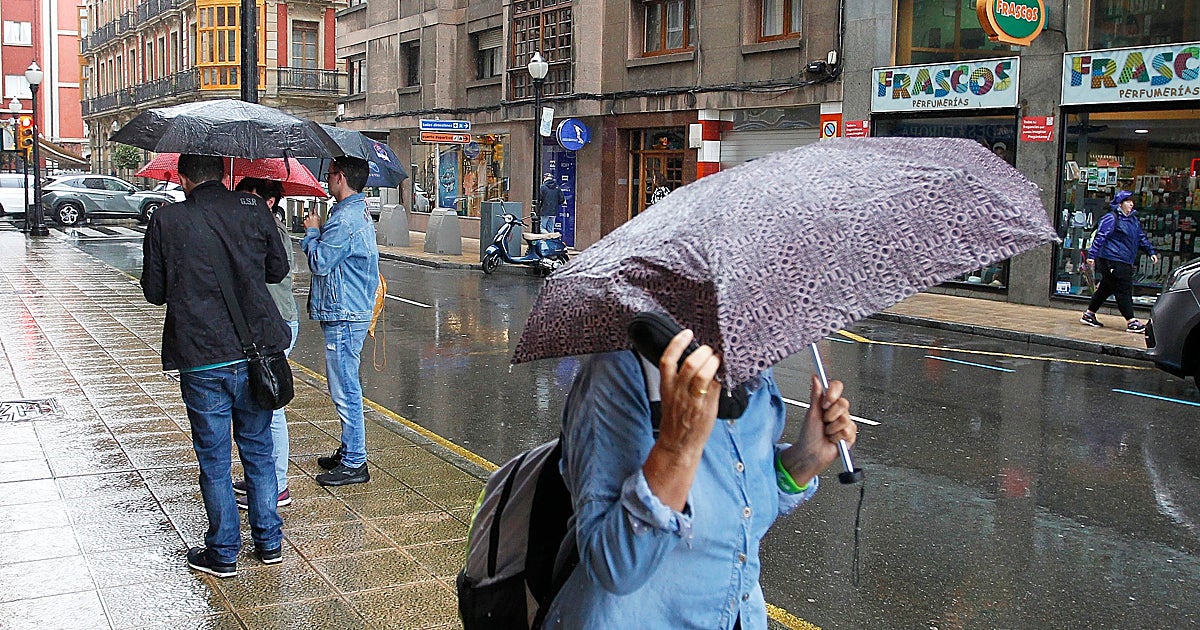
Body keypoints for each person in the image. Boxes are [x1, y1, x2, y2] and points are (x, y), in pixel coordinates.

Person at [540, 329, 857, 629]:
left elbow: (740, 509)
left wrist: (804, 461)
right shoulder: (618, 373)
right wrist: (677, 449)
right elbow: (614, 569)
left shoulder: (754, 375)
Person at [141, 154, 288, 578]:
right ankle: (269, 542)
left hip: (202, 356)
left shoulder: (167, 220)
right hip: (254, 350)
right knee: (259, 449)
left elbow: (155, 292)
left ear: (183, 178)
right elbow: (277, 270)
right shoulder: (254, 209)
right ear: (225, 175)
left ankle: (224, 552)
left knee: (214, 457)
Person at [304, 157, 380, 486]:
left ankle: (355, 461)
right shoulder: (350, 211)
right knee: (345, 384)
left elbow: (320, 262)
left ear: (342, 178)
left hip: (345, 313)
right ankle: (350, 448)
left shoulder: (346, 217)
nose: (327, 179)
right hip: (348, 309)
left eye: (330, 174)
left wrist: (311, 232)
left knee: (345, 387)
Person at [232, 177, 297, 508]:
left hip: (276, 324)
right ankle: (263, 476)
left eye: (248, 197)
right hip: (263, 324)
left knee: (271, 408)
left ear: (269, 201)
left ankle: (279, 485)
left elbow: (264, 275)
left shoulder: (272, 232)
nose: (240, 202)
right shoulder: (256, 228)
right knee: (259, 403)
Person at [1080, 190, 1158, 332]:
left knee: (1106, 288)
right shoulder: (1111, 218)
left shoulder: (1133, 220)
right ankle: (1131, 321)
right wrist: (1091, 256)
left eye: (1131, 201)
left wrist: (1150, 252)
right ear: (1120, 204)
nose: (1131, 204)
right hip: (1112, 259)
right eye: (1128, 201)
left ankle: (1089, 314)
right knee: (1123, 289)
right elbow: (1100, 237)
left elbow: (1141, 237)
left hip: (1124, 259)